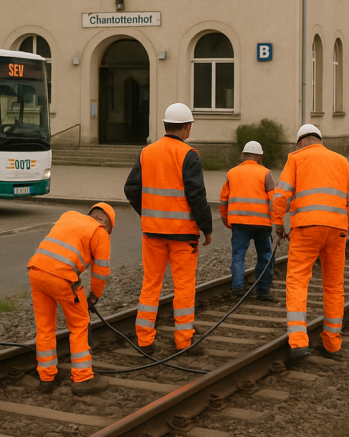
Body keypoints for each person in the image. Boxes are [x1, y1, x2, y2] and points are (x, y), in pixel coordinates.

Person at [124, 103, 212, 355]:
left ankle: (144, 340)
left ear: (165, 125)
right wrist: (206, 227)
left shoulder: (147, 152)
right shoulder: (189, 154)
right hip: (183, 235)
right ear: (186, 127)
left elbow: (130, 189)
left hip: (153, 233)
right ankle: (184, 340)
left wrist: (150, 212)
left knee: (151, 284)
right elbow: (196, 194)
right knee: (183, 286)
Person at [271, 124, 349, 363]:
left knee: (298, 281)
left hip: (306, 229)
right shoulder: (341, 160)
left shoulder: (296, 159)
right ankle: (332, 343)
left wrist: (278, 224)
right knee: (334, 286)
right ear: (319, 140)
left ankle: (299, 342)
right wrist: (344, 225)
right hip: (336, 230)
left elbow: (280, 196)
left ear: (300, 142)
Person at [27, 202, 114, 397]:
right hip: (62, 278)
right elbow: (101, 272)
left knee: (44, 327)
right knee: (80, 325)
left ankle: (46, 378)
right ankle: (83, 378)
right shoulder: (100, 232)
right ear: (106, 224)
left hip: (36, 271)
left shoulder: (69, 215)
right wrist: (94, 296)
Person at [220, 141, 277, 302]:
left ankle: (238, 288)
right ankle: (263, 290)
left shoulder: (232, 173)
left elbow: (223, 199)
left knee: (238, 255)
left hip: (238, 222)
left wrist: (226, 219)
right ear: (260, 157)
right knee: (265, 255)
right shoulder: (266, 174)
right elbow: (274, 200)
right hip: (262, 224)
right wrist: (276, 221)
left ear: (243, 155)